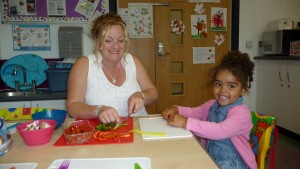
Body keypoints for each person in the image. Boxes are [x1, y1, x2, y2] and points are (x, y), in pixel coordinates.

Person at [161, 51, 257, 169]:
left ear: (243, 90)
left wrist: (186, 122)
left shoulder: (241, 113)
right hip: (210, 155)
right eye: (218, 84)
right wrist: (177, 109)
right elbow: (195, 113)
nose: (223, 90)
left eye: (231, 86)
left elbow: (220, 131)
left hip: (232, 163)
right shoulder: (212, 104)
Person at [67, 13, 158, 124]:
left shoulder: (132, 61)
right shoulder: (84, 64)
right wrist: (98, 110)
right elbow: (72, 107)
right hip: (103, 132)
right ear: (98, 42)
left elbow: (153, 93)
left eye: (120, 40)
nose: (115, 46)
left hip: (139, 129)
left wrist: (142, 95)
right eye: (108, 40)